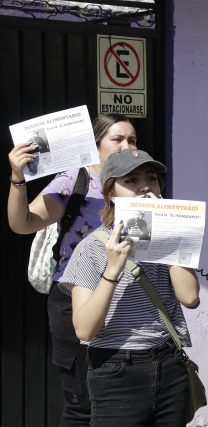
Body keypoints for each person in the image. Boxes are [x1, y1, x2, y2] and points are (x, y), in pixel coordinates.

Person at [7, 113, 137, 426]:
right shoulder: (75, 180)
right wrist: (17, 177)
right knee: (82, 404)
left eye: (132, 140)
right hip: (75, 299)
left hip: (125, 299)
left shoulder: (139, 183)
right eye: (116, 139)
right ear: (95, 145)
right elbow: (22, 223)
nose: (126, 146)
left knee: (123, 399)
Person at [59, 148, 200, 426]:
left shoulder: (169, 242)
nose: (145, 187)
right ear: (111, 193)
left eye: (152, 179)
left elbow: (190, 296)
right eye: (131, 181)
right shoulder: (92, 248)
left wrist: (170, 238)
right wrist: (112, 269)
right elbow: (84, 329)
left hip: (169, 364)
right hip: (116, 371)